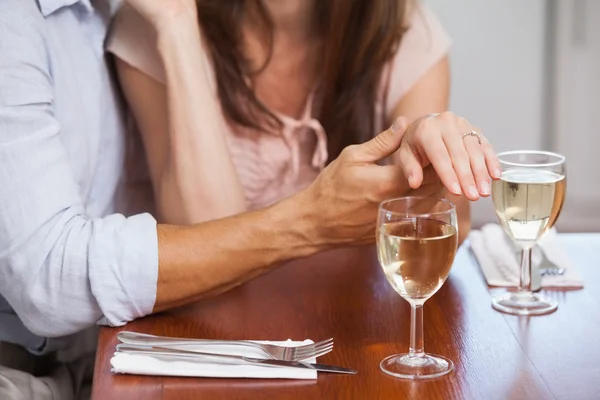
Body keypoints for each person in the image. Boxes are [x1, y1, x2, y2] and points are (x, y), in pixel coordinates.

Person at [0, 0, 498, 398]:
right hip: (213, 338)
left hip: (355, 333)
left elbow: (435, 223)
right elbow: (211, 234)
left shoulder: (400, 29)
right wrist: (178, 28)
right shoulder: (145, 22)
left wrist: (440, 162)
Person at [107, 0, 500, 242]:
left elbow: (446, 226)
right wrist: (178, 26)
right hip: (204, 337)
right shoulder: (156, 24)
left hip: (347, 326)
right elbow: (203, 240)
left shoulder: (401, 32)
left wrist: (437, 153)